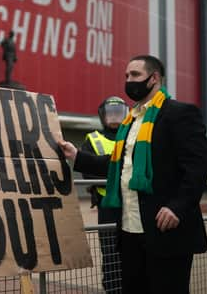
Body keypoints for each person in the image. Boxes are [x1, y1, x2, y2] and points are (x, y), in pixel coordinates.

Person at [58, 55, 207, 294]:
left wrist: (177, 207)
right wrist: (76, 155)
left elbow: (197, 167)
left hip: (165, 230)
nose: (129, 81)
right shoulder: (130, 121)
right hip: (129, 230)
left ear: (154, 78)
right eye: (127, 76)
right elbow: (117, 164)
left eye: (136, 75)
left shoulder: (180, 113)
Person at [80, 96, 128, 293]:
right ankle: (113, 289)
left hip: (131, 204)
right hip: (106, 205)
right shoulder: (93, 139)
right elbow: (88, 171)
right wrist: (118, 173)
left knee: (133, 250)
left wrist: (106, 171)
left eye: (119, 113)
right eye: (111, 114)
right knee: (110, 252)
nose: (115, 118)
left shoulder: (132, 137)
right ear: (102, 116)